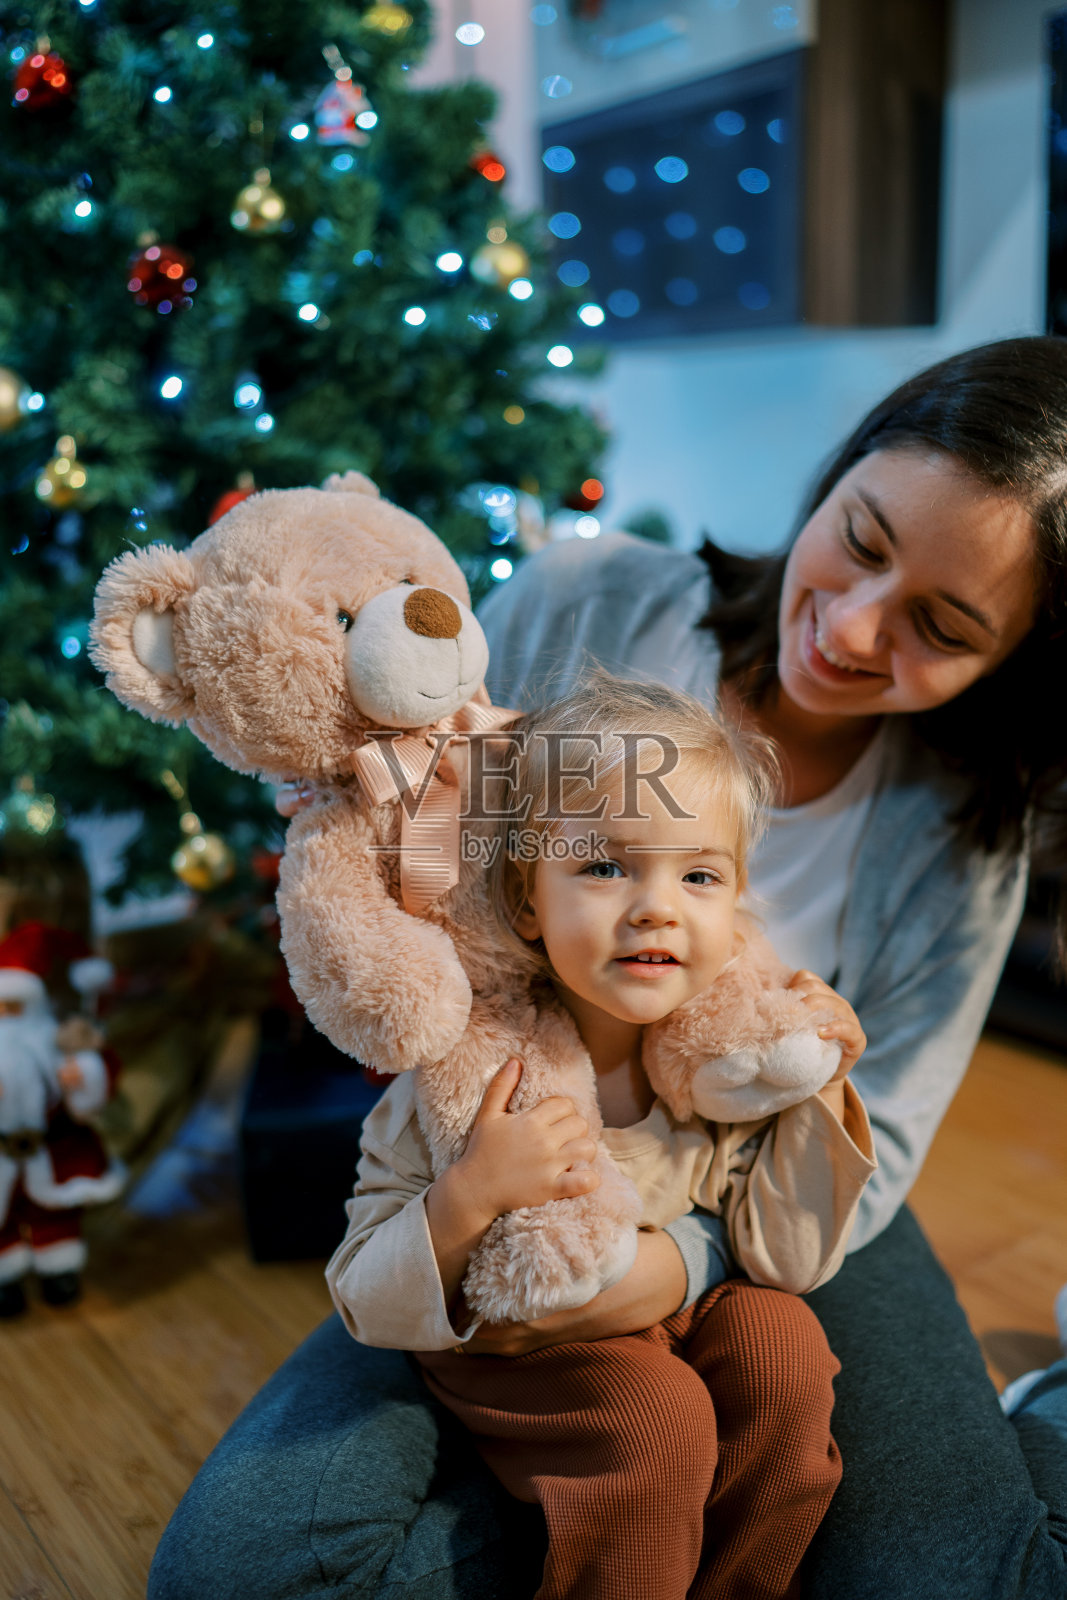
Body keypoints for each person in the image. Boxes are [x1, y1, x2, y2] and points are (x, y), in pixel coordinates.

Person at [148, 336, 1067, 1600]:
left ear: (1008, 664)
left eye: (941, 625)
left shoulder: (960, 835)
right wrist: (489, 1235)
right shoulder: (583, 601)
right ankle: (642, 1488)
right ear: (837, 478)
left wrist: (668, 1269)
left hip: (759, 1204)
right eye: (859, 540)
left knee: (963, 1577)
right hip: (507, 1169)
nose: (852, 628)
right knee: (234, 1575)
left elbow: (878, 1143)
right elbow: (419, 854)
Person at [326, 675, 876, 1600]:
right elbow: (363, 1297)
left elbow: (784, 1256)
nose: (657, 907)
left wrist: (822, 1085)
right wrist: (471, 1195)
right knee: (653, 1417)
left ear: (735, 907)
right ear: (529, 901)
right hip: (525, 1351)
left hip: (676, 1312)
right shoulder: (470, 1076)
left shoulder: (721, 1065)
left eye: (697, 875)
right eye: (606, 866)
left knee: (782, 1342)